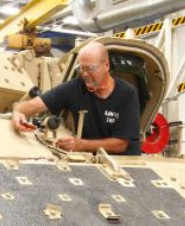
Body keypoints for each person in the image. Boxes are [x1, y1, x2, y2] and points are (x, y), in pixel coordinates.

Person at [11, 42, 141, 155]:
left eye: (90, 68)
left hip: (125, 163)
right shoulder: (76, 87)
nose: (84, 74)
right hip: (92, 160)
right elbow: (33, 105)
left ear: (106, 66)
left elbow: (120, 144)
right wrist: (18, 113)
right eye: (81, 68)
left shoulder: (127, 93)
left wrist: (82, 145)